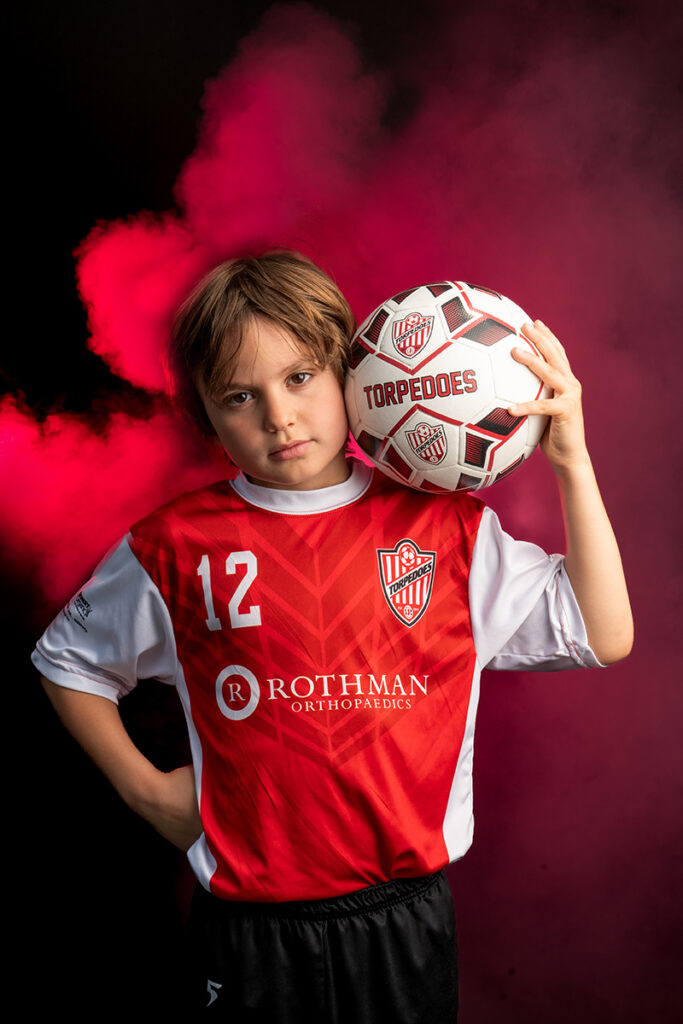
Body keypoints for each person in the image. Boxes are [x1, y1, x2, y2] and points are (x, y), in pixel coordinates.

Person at [34, 250, 633, 1022]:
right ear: (204, 415)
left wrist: (572, 462)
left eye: (299, 378)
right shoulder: (175, 546)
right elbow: (65, 662)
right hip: (252, 927)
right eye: (238, 397)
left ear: (354, 371)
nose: (278, 417)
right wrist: (147, 791)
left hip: (402, 915)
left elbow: (602, 631)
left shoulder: (442, 526)